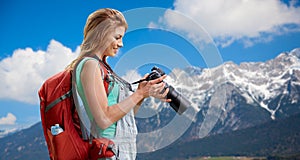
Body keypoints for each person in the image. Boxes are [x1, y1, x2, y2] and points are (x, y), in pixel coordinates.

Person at [67, 8, 170, 160]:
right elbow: (103, 119)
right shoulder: (90, 65)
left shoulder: (102, 67)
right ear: (101, 34)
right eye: (117, 37)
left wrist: (142, 94)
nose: (121, 44)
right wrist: (139, 94)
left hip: (120, 150)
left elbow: (122, 117)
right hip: (108, 150)